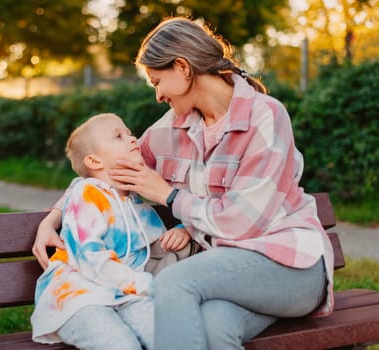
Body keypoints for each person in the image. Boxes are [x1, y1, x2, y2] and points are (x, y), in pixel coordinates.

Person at [33, 16, 335, 349]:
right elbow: (111, 173)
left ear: (183, 68)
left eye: (157, 81)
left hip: (291, 266)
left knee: (174, 282)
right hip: (230, 274)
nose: (158, 95)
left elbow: (240, 222)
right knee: (213, 329)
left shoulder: (265, 116)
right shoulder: (170, 130)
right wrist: (54, 217)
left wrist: (169, 195)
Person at [30, 113, 191, 350]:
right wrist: (145, 284)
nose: (132, 138)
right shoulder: (86, 194)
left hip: (126, 295)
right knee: (121, 345)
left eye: (129, 132)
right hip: (79, 298)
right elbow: (91, 258)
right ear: (95, 162)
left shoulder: (135, 202)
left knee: (169, 339)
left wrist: (182, 229)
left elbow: (156, 249)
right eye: (118, 136)